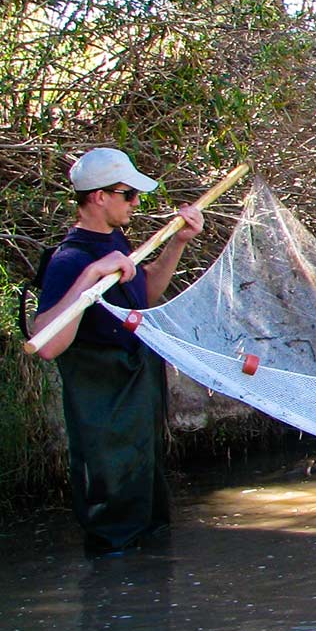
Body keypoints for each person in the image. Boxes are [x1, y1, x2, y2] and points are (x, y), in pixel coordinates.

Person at [32, 148, 204, 555]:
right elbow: (46, 343)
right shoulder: (69, 260)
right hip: (103, 408)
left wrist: (177, 243)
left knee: (148, 511)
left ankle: (145, 597)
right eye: (127, 195)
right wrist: (91, 276)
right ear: (98, 197)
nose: (135, 203)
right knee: (113, 522)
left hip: (136, 399)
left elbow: (144, 294)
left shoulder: (116, 241)